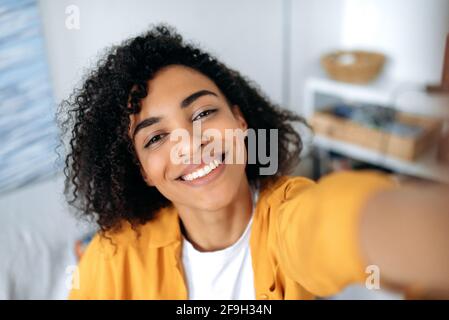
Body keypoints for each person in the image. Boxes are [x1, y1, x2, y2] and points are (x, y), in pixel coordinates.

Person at [59, 24, 449, 300]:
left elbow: (336, 221)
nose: (190, 145)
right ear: (142, 169)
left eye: (203, 114)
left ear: (240, 122)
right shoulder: (112, 257)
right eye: (157, 137)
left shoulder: (289, 216)